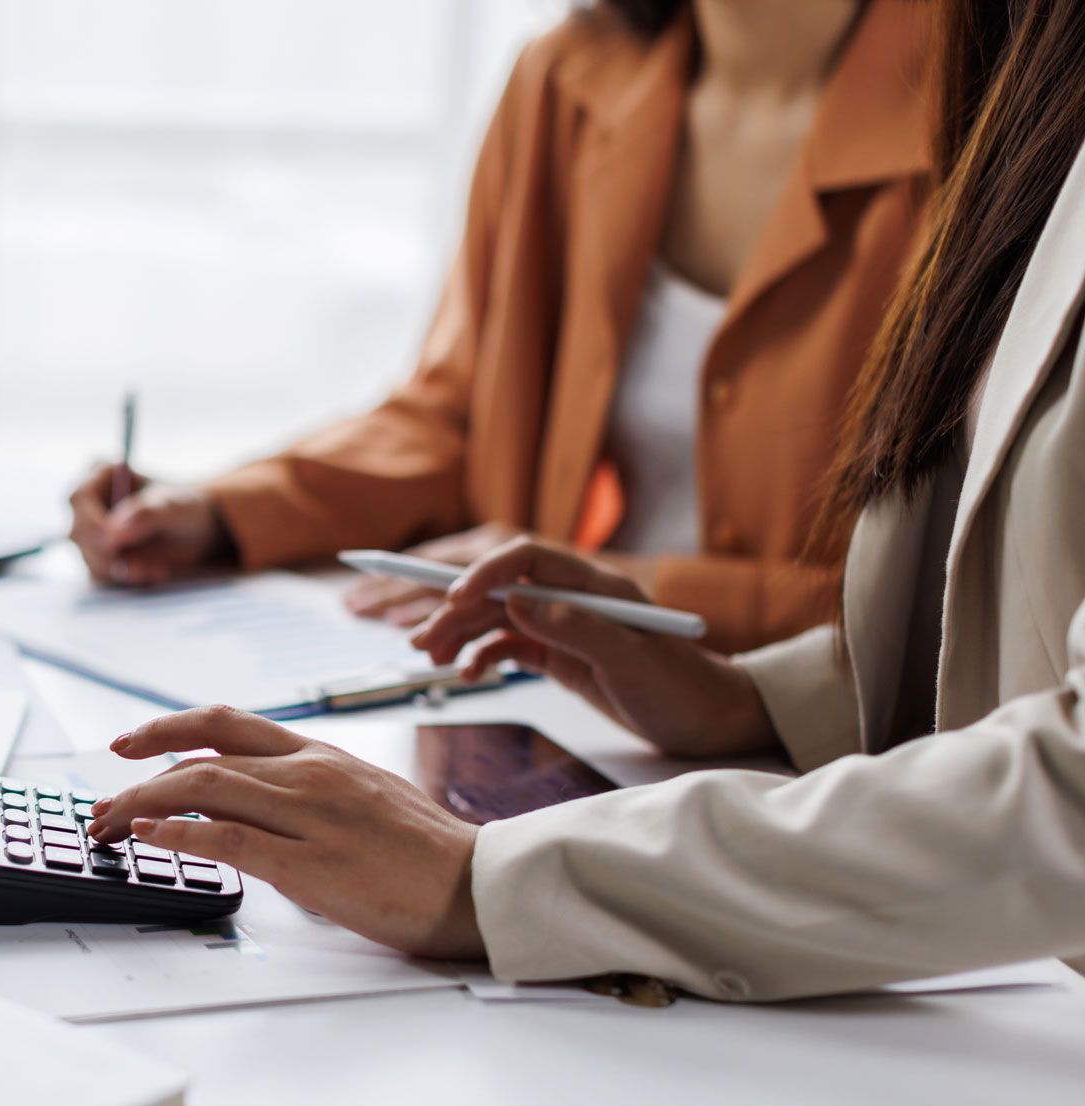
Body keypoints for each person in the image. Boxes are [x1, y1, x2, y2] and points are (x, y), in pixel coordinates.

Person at [86, 0, 1085, 1001]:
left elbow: (1038, 728)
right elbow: (464, 407)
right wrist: (757, 700)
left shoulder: (967, 80)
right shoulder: (575, 76)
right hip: (665, 752)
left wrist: (498, 880)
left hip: (876, 879)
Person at [68, 0, 934, 653]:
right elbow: (461, 418)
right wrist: (222, 512)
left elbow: (958, 603)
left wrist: (618, 588)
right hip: (554, 702)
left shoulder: (987, 116)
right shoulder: (564, 80)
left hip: (817, 764)